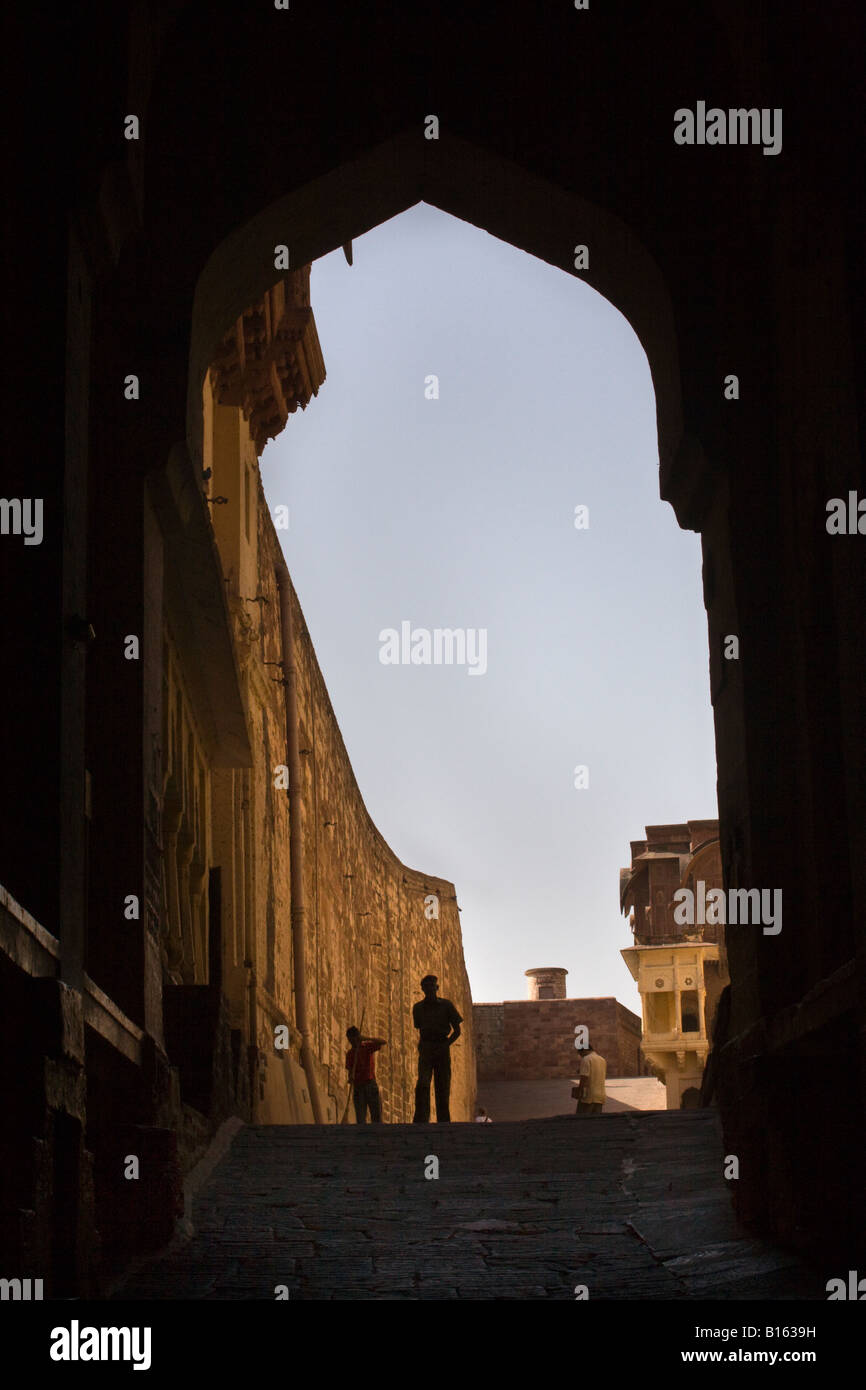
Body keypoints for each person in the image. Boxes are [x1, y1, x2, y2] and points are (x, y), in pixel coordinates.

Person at [411, 975, 462, 1123]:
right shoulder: (418, 1008)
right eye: (426, 986)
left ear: (437, 988)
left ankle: (443, 1121)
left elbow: (457, 1031)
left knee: (442, 1086)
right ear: (422, 989)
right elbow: (419, 1027)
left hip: (442, 1046)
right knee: (423, 1083)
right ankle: (421, 1118)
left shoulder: (446, 1005)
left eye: (432, 986)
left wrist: (445, 1046)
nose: (429, 989)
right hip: (426, 1047)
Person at [345, 1026, 387, 1123]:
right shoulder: (350, 1054)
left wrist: (366, 1038)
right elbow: (350, 1071)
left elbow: (383, 1042)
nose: (351, 1042)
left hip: (370, 1085)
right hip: (358, 1087)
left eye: (353, 1039)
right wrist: (350, 1077)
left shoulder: (367, 1047)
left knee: (376, 1117)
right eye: (349, 1040)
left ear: (357, 1037)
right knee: (360, 1118)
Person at [574, 1043, 606, 1114]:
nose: (580, 1056)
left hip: (588, 1096)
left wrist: (579, 1090)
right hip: (600, 1096)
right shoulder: (602, 1059)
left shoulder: (586, 1059)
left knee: (583, 1120)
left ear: (584, 1050)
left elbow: (584, 1077)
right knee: (596, 1121)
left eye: (580, 1053)